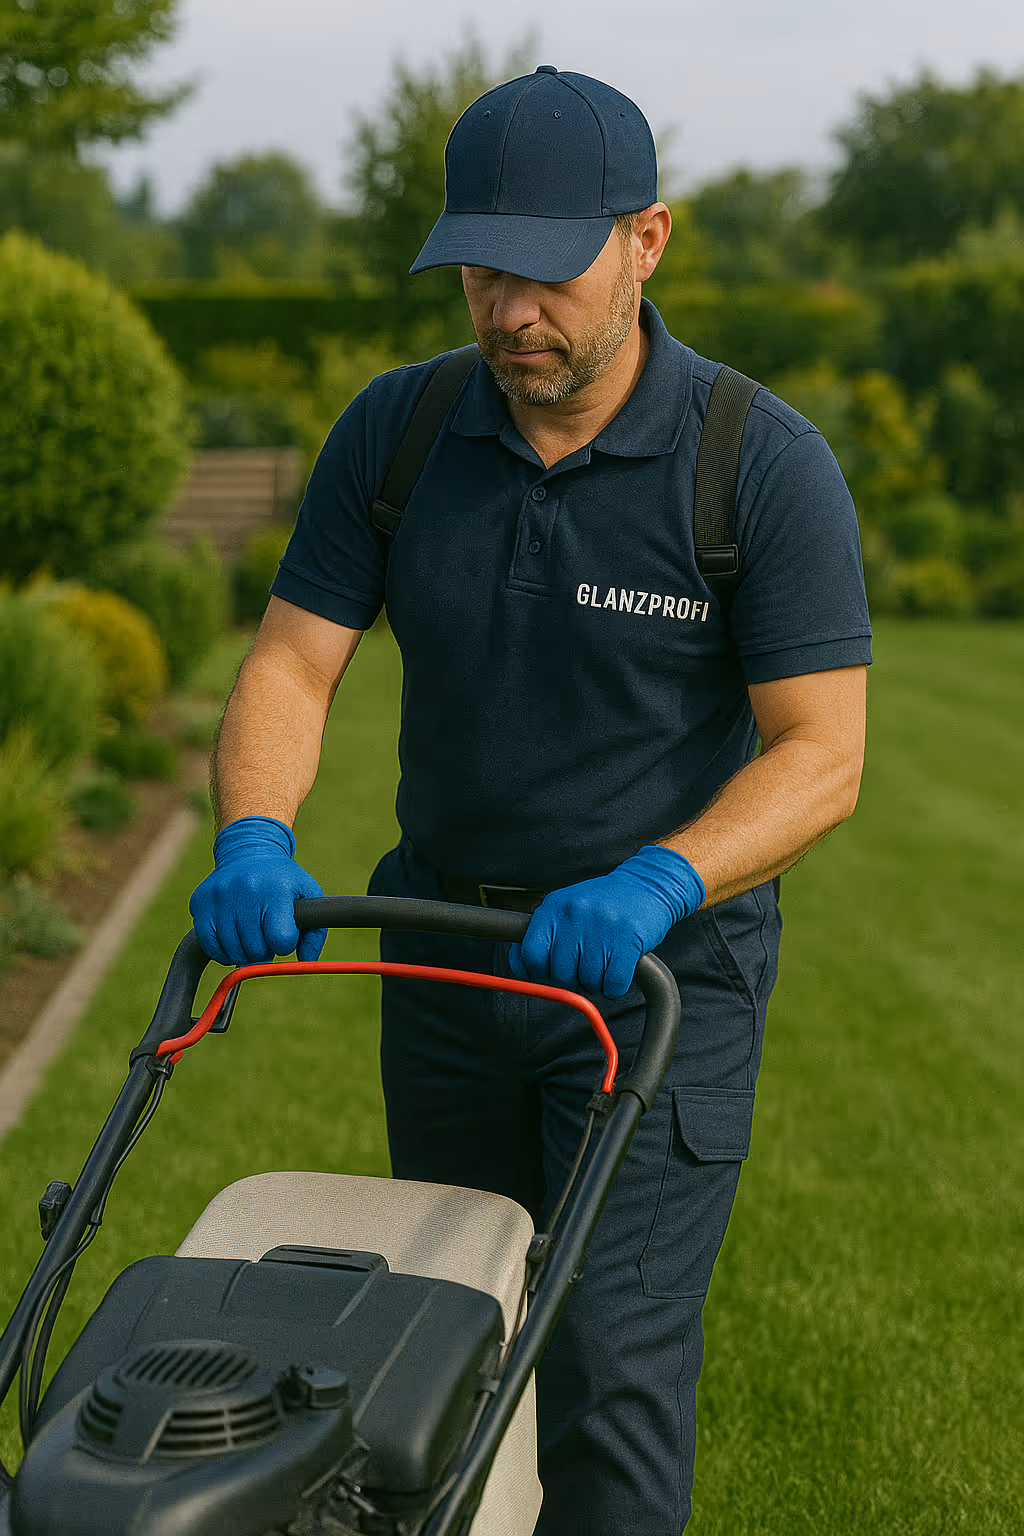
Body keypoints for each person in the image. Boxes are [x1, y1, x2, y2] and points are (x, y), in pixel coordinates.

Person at [190, 66, 871, 1535]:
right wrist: (256, 828)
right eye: (481, 271)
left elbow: (824, 750)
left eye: (546, 271)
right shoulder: (402, 435)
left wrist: (658, 882)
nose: (509, 312)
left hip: (646, 990)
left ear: (646, 240)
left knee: (608, 1375)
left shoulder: (754, 465)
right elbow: (292, 668)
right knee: (434, 1351)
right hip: (441, 957)